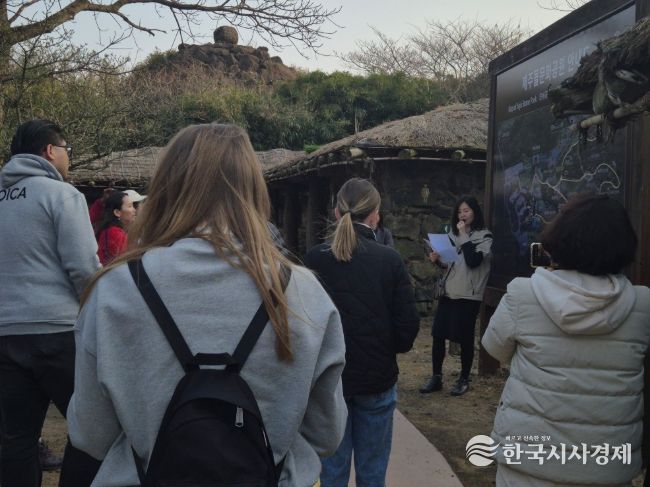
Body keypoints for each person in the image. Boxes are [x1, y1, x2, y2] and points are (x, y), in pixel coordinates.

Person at [66, 123, 347, 486]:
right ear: (253, 189)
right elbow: (326, 435)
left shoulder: (114, 290)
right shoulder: (303, 293)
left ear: (166, 187)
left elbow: (91, 435)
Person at [482, 194, 650, 486]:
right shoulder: (642, 305)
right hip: (605, 467)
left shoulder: (523, 294)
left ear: (559, 238)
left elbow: (495, 348)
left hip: (528, 463)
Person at [0, 119, 101, 486]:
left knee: (15, 438)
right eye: (67, 150)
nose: (68, 158)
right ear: (49, 151)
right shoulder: (62, 195)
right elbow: (84, 267)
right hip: (57, 331)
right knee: (90, 429)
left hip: (5, 334)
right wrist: (97, 313)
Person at [304, 178, 419, 487]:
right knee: (372, 474)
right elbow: (407, 329)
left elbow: (304, 323)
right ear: (375, 215)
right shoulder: (390, 260)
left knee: (331, 475)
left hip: (329, 382)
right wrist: (384, 347)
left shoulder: (314, 259)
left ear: (336, 212)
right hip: (376, 379)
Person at [419, 195, 493, 396]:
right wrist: (437, 259)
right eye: (460, 211)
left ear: (475, 212)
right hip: (450, 291)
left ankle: (464, 378)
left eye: (466, 211)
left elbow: (473, 261)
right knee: (438, 334)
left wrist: (463, 236)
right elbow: (450, 264)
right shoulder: (453, 234)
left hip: (469, 295)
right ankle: (436, 377)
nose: (462, 215)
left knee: (465, 338)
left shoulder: (485, 236)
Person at [96, 191, 136, 265]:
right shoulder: (114, 233)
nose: (134, 210)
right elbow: (121, 263)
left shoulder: (114, 231)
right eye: (130, 206)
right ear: (117, 212)